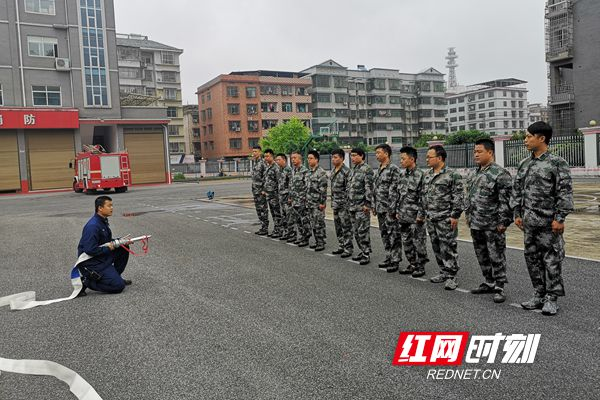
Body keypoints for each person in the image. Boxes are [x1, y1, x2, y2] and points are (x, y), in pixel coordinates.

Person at [511, 121, 574, 316]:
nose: (525, 140)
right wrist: (517, 214)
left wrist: (560, 217)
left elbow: (564, 192)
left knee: (551, 259)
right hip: (529, 222)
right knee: (532, 259)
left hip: (548, 222)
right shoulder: (524, 163)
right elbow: (517, 190)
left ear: (542, 138)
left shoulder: (557, 163)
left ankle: (551, 298)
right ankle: (538, 293)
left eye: (529, 136)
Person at [465, 139, 513, 303]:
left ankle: (499, 287)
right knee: (481, 254)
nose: (476, 154)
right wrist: (468, 216)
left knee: (496, 255)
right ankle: (489, 281)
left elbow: (506, 201)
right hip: (476, 222)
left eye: (479, 151)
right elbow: (469, 197)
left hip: (493, 224)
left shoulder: (500, 174)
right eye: (474, 152)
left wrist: (503, 222)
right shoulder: (474, 173)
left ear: (490, 152)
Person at [422, 145, 464, 290]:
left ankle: (452, 275)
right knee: (436, 246)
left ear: (439, 158)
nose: (427, 159)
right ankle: (443, 271)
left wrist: (455, 215)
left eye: (429, 157)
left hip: (445, 218)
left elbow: (458, 196)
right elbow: (424, 196)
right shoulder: (427, 175)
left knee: (448, 247)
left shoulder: (452, 175)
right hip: (431, 218)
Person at [77, 196, 132, 295]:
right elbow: (89, 249)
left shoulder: (102, 221)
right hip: (92, 262)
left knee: (123, 248)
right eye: (109, 206)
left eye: (112, 205)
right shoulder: (93, 226)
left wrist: (120, 241)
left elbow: (105, 241)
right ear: (100, 208)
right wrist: (108, 248)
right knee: (118, 287)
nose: (112, 208)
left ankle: (114, 277)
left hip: (100, 256)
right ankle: (86, 281)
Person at [395, 146, 429, 277]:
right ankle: (412, 263)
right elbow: (399, 194)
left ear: (412, 159)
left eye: (403, 159)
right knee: (407, 242)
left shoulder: (421, 175)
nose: (401, 161)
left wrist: (421, 215)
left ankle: (420, 266)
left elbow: (423, 197)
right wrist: (398, 210)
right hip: (403, 215)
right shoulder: (402, 175)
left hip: (416, 217)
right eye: (400, 159)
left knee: (418, 242)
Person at [372, 144, 401, 273]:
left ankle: (395, 261)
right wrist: (374, 205)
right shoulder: (378, 169)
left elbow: (395, 190)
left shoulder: (393, 169)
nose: (376, 155)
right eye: (376, 153)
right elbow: (375, 190)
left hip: (389, 209)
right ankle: (389, 257)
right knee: (384, 234)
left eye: (379, 152)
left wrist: (393, 209)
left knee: (393, 235)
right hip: (380, 208)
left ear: (386, 153)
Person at [347, 148, 374, 265]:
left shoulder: (366, 169)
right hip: (352, 206)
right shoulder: (353, 170)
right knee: (356, 231)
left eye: (355, 155)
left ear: (361, 156)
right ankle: (362, 251)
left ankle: (366, 253)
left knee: (363, 230)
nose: (352, 158)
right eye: (351, 156)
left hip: (362, 206)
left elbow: (369, 187)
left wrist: (367, 204)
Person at [329, 149, 353, 257]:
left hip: (344, 205)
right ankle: (341, 245)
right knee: (338, 226)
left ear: (342, 158)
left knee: (346, 226)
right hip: (335, 204)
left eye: (336, 157)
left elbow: (349, 190)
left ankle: (348, 248)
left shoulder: (347, 172)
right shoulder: (333, 171)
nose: (333, 159)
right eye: (332, 157)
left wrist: (347, 205)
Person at [306, 150, 328, 251]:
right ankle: (317, 241)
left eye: (311, 158)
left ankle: (321, 242)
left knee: (319, 223)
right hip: (310, 203)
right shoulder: (309, 172)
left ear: (316, 159)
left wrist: (322, 203)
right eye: (308, 158)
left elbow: (323, 190)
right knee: (313, 223)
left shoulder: (321, 172)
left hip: (318, 203)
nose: (309, 160)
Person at [288, 151, 311, 247]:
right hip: (295, 201)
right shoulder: (293, 170)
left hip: (302, 201)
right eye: (292, 158)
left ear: (300, 159)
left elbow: (308, 187)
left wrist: (305, 200)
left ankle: (306, 238)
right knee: (297, 220)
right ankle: (302, 236)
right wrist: (290, 197)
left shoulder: (304, 171)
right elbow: (291, 185)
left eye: (295, 158)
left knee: (304, 220)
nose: (293, 160)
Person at [262, 149, 283, 238]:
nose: (266, 158)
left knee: (277, 213)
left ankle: (279, 230)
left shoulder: (276, 167)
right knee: (273, 213)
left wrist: (279, 195)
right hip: (269, 195)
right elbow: (266, 180)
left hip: (275, 195)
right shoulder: (267, 167)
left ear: (272, 156)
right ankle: (276, 229)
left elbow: (279, 182)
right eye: (265, 156)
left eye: (267, 156)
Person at [276, 153, 294, 241]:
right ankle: (286, 232)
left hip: (287, 197)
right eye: (276, 160)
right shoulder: (280, 170)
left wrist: (290, 197)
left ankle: (292, 234)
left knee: (289, 216)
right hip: (281, 196)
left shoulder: (288, 170)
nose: (277, 161)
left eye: (279, 160)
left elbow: (291, 184)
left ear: (284, 160)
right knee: (284, 216)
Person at [251, 146, 269, 235]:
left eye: (256, 151)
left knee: (263, 209)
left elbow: (266, 177)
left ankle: (265, 227)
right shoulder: (255, 162)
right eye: (253, 151)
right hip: (255, 191)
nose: (254, 153)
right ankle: (262, 226)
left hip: (261, 191)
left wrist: (264, 190)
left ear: (260, 152)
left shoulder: (263, 163)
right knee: (258, 209)